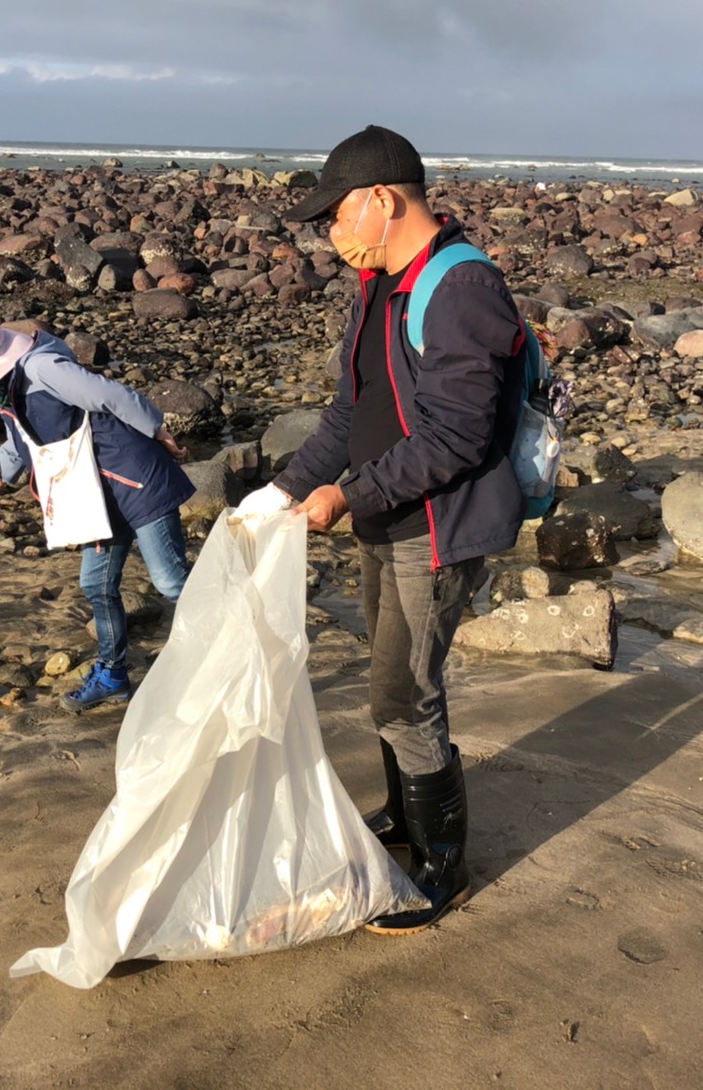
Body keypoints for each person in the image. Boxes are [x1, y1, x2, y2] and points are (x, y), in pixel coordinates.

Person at [236, 125, 526, 934]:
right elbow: (348, 414)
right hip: (382, 516)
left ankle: (444, 865)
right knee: (386, 685)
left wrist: (346, 497)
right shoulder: (379, 287)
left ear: (381, 201)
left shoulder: (459, 288)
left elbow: (457, 437)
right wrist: (286, 489)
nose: (329, 236)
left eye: (334, 217)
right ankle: (403, 819)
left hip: (434, 527)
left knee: (407, 694)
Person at [0, 310, 194, 712]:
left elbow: (113, 395)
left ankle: (239, 646)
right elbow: (20, 445)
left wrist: (159, 430)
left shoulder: (42, 368)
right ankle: (113, 674)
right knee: (96, 585)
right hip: (95, 495)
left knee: (170, 581)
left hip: (137, 478)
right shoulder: (5, 388)